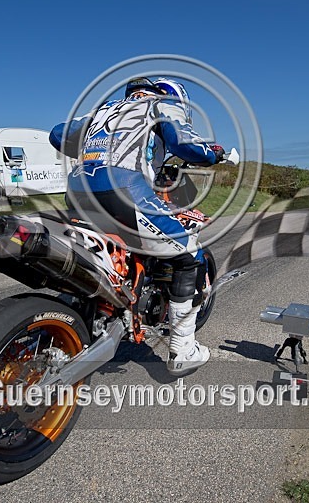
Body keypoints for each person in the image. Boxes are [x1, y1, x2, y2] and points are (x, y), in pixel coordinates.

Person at [49, 77, 222, 375]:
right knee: (189, 252)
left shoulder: (103, 109)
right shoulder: (161, 106)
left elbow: (57, 134)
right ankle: (182, 348)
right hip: (124, 192)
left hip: (77, 194)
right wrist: (212, 154)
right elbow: (186, 144)